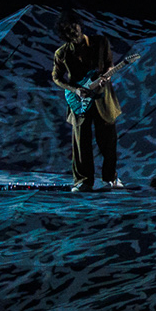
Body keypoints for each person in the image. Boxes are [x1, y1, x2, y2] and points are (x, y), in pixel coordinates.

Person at [49, 12, 123, 192]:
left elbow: (109, 64)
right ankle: (83, 181)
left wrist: (106, 77)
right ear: (64, 34)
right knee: (81, 142)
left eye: (74, 26)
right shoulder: (62, 53)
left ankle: (110, 177)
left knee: (109, 140)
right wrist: (75, 90)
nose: (72, 31)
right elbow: (56, 77)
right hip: (79, 101)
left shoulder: (100, 42)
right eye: (67, 30)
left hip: (102, 98)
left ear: (80, 25)